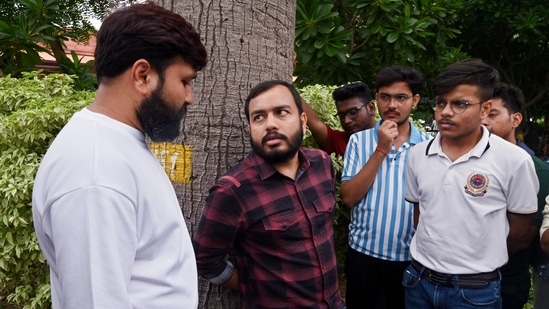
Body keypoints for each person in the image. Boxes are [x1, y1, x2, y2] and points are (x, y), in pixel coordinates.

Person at [32, 4, 207, 308]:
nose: (189, 97)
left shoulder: (116, 145)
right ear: (142, 76)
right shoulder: (95, 171)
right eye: (185, 81)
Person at [193, 80, 345, 309]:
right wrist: (251, 287)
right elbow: (205, 262)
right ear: (250, 129)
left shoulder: (322, 164)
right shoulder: (232, 191)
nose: (270, 124)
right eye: (259, 117)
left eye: (281, 112)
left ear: (303, 122)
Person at [404, 59, 538, 309]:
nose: (445, 111)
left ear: (485, 108)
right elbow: (420, 214)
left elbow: (520, 230)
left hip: (475, 292)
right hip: (418, 282)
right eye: (441, 102)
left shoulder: (514, 161)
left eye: (459, 104)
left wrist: (477, 251)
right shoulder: (417, 154)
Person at [340, 65, 431, 309]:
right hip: (362, 256)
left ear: (415, 101)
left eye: (401, 97)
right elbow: (348, 197)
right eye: (385, 97)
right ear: (376, 100)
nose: (392, 105)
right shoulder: (359, 141)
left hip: (408, 259)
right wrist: (381, 148)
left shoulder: (428, 147)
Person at [482, 82, 549, 309]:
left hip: (505, 283)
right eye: (481, 112)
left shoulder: (536, 169)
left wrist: (471, 256)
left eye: (492, 114)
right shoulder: (470, 161)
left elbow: (525, 236)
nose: (484, 121)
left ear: (516, 119)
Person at [302, 82, 376, 156]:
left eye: (353, 112)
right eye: (342, 116)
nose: (347, 121)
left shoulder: (387, 137)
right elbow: (315, 122)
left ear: (371, 108)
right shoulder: (340, 142)